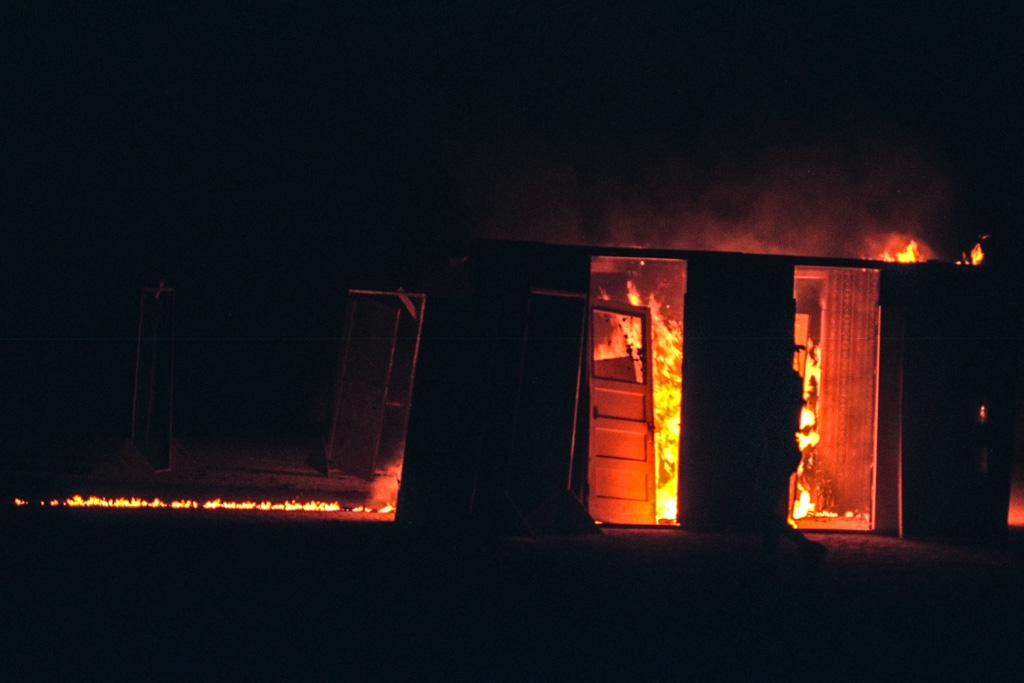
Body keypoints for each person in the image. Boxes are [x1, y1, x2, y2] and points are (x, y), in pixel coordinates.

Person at [756, 350, 827, 571]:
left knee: (764, 509)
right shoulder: (791, 381)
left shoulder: (781, 383)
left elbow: (769, 417)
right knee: (768, 508)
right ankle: (770, 557)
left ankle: (805, 546)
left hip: (780, 451)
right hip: (785, 450)